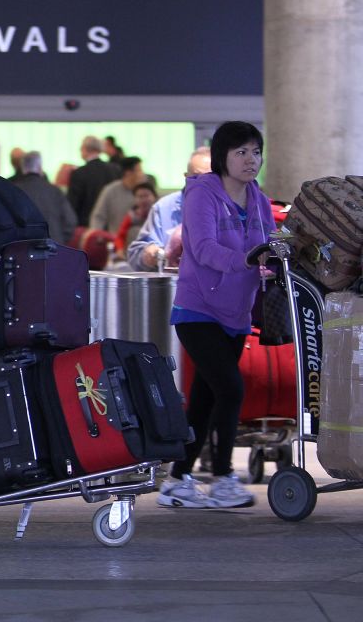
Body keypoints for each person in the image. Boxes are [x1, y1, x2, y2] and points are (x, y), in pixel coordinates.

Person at [157, 122, 274, 510]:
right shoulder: (201, 195)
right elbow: (203, 248)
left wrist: (271, 262)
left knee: (205, 399)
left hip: (236, 313)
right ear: (222, 156)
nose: (250, 160)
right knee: (231, 388)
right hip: (197, 310)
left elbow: (268, 245)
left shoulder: (258, 198)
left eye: (255, 151)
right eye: (241, 152)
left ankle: (176, 480)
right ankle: (223, 477)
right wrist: (245, 260)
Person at [126, 147, 212, 271]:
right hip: (174, 286)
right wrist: (149, 254)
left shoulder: (234, 206)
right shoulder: (164, 208)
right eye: (196, 177)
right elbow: (135, 254)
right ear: (186, 177)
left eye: (210, 178)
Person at [11, 151, 77, 245]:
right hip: (53, 248)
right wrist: (60, 239)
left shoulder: (14, 191)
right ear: (40, 167)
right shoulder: (55, 191)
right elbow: (70, 221)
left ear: (23, 169)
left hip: (23, 250)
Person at [66, 135, 121, 227]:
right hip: (110, 225)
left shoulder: (79, 173)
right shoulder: (115, 169)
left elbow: (72, 204)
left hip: (86, 226)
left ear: (84, 149)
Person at [89, 156, 146, 235]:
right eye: (139, 170)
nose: (142, 174)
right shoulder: (110, 190)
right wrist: (95, 234)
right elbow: (99, 217)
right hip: (116, 240)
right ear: (128, 173)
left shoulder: (146, 192)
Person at [113, 182, 157, 259]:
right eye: (140, 196)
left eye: (146, 196)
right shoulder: (131, 216)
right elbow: (120, 236)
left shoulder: (159, 215)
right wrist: (119, 250)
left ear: (154, 197)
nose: (143, 200)